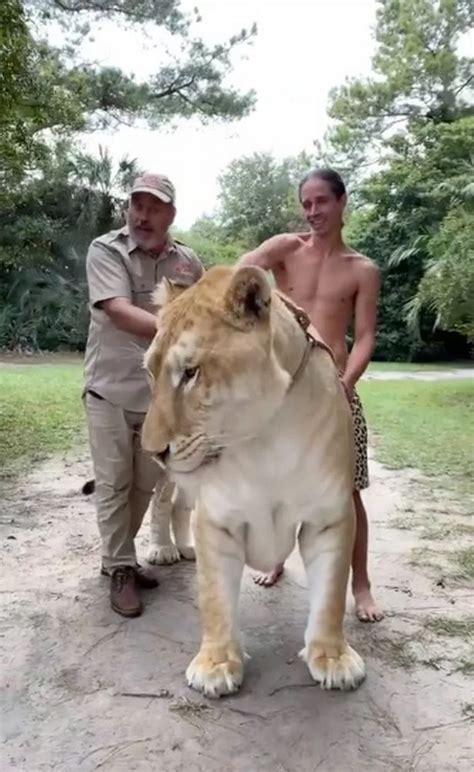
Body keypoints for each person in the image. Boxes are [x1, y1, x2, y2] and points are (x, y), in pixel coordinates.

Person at [238, 168, 383, 623]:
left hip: (336, 391)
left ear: (341, 202)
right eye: (306, 203)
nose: (313, 211)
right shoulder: (286, 249)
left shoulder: (363, 269)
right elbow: (242, 269)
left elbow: (364, 337)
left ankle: (361, 585)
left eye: (321, 201)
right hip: (285, 391)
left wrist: (346, 382)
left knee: (348, 492)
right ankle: (279, 559)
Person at [83, 173, 204, 618]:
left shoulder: (188, 263)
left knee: (145, 484)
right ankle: (119, 567)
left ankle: (119, 558)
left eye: (154, 207)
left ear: (171, 214)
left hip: (163, 398)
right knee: (114, 481)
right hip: (110, 387)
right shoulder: (106, 250)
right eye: (136, 204)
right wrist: (183, 327)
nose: (142, 215)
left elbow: (205, 314)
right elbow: (116, 310)